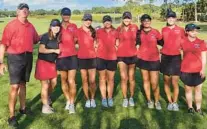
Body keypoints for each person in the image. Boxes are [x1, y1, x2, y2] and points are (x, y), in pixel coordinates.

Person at [0, 3, 39, 127]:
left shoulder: (31, 26)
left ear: (29, 12)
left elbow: (36, 39)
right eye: (22, 9)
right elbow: (3, 44)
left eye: (26, 9)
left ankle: (23, 108)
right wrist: (0, 62)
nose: (24, 11)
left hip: (28, 57)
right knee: (14, 86)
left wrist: (52, 33)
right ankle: (11, 116)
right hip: (15, 58)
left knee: (23, 84)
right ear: (17, 12)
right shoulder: (11, 26)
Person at [136, 14, 163, 110]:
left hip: (154, 60)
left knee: (155, 82)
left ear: (150, 21)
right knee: (146, 81)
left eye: (148, 20)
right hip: (142, 60)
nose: (146, 22)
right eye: (144, 20)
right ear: (142, 22)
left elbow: (163, 43)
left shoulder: (155, 32)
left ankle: (157, 101)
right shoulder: (138, 33)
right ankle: (149, 100)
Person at [160, 9, 185, 111]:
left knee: (175, 82)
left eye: (172, 17)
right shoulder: (163, 29)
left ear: (175, 19)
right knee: (166, 81)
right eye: (169, 17)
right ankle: (169, 102)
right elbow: (161, 41)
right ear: (167, 19)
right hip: (165, 57)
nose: (170, 19)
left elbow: (186, 41)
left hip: (176, 58)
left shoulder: (181, 30)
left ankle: (175, 103)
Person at [35, 19, 61, 114]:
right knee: (45, 85)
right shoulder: (46, 36)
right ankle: (45, 107)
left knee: (54, 83)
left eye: (58, 26)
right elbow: (41, 50)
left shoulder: (57, 37)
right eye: (54, 26)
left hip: (51, 63)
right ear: (50, 27)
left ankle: (47, 97)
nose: (56, 28)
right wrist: (54, 50)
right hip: (43, 63)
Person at [180, 24, 207, 115]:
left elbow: (204, 58)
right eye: (192, 31)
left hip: (198, 71)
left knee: (198, 90)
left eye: (196, 30)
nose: (195, 32)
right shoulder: (182, 41)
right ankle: (190, 107)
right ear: (187, 32)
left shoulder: (201, 42)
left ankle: (198, 108)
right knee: (188, 90)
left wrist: (203, 69)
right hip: (186, 70)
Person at [56, 7, 78, 114]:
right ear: (61, 15)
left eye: (68, 14)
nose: (66, 16)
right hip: (60, 57)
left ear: (70, 15)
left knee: (71, 81)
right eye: (64, 14)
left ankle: (72, 104)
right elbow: (50, 37)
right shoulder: (57, 26)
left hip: (72, 56)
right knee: (63, 80)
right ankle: (68, 100)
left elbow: (76, 39)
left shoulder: (73, 26)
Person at [96, 15, 119, 107]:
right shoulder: (98, 31)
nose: (107, 22)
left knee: (111, 79)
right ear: (103, 22)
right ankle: (103, 98)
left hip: (112, 58)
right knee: (102, 79)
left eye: (108, 21)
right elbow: (95, 43)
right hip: (100, 58)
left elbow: (117, 44)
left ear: (111, 22)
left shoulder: (115, 32)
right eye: (105, 21)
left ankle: (109, 98)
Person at [75, 14, 97, 108]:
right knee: (84, 80)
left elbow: (96, 44)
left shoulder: (93, 31)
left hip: (92, 58)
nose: (88, 21)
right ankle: (87, 99)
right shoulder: (77, 31)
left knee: (92, 81)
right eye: (86, 20)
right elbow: (74, 42)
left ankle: (92, 99)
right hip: (82, 58)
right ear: (83, 20)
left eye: (89, 20)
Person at [117, 11, 138, 107]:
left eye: (128, 18)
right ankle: (125, 98)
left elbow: (140, 38)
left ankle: (131, 97)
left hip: (133, 55)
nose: (126, 19)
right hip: (121, 56)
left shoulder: (135, 27)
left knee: (131, 78)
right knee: (124, 78)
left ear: (131, 19)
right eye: (125, 18)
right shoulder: (118, 29)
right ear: (122, 19)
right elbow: (115, 41)